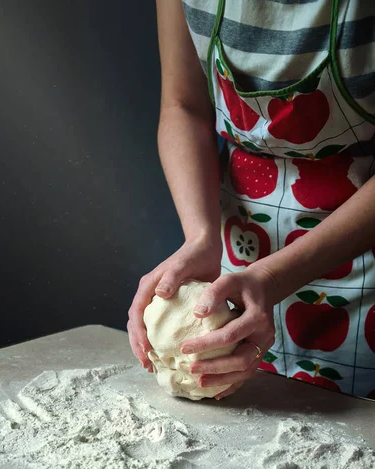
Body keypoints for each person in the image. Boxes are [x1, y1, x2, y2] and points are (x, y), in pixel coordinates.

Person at [128, 0, 375, 400]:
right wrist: (200, 238)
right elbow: (183, 105)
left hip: (362, 264)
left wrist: (274, 277)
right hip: (237, 254)